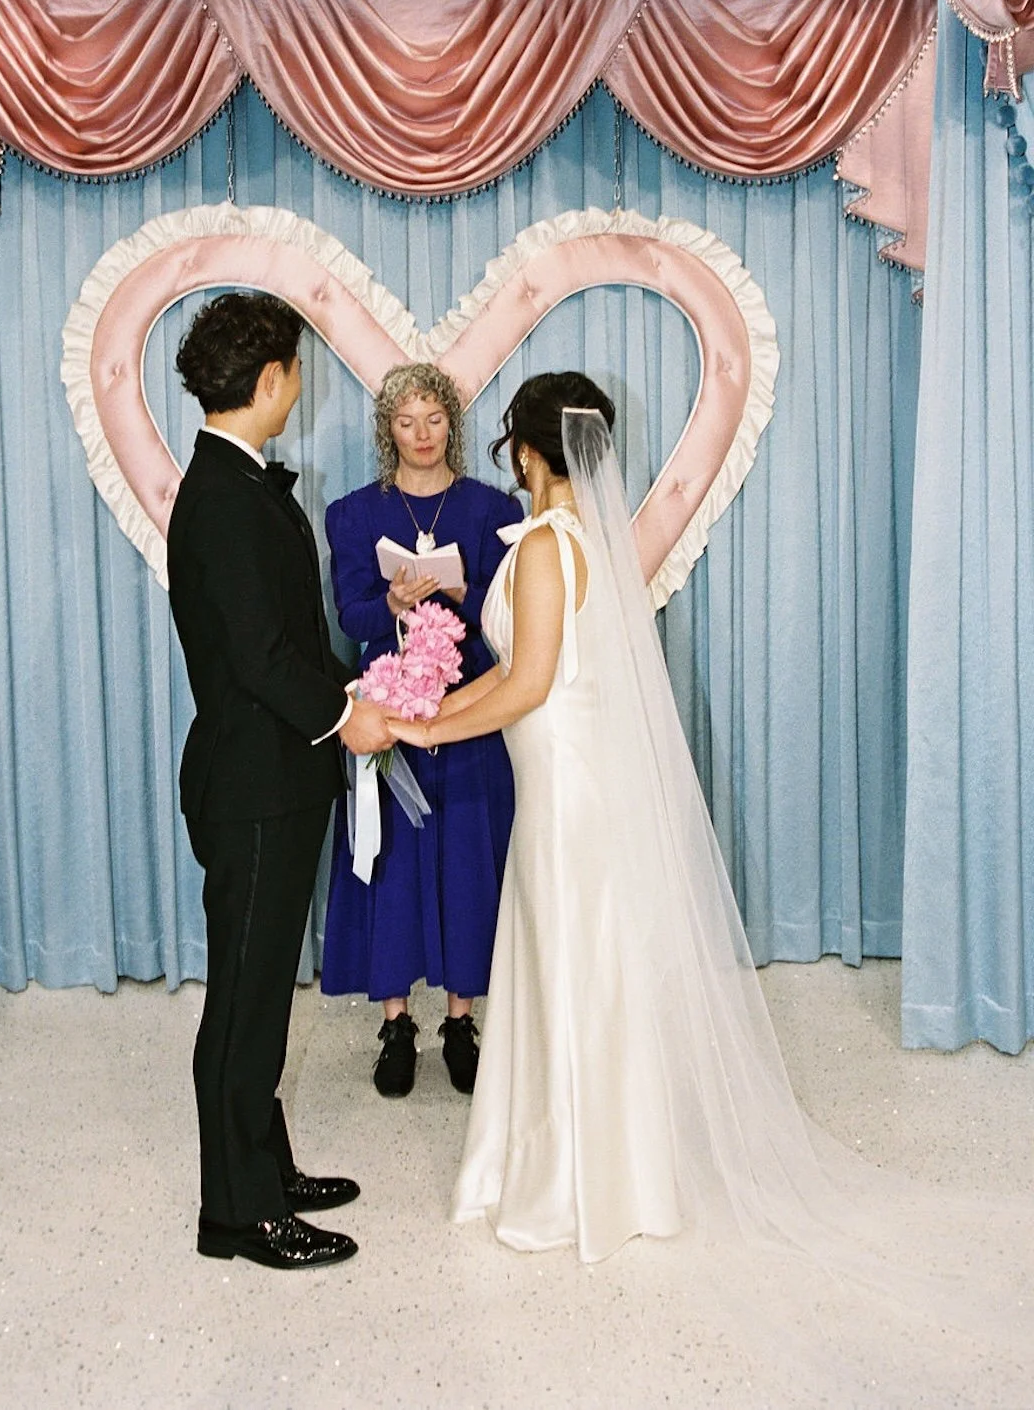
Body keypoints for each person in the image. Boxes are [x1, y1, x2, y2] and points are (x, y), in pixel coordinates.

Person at [385, 371, 856, 1263]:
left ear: (528, 454)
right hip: (569, 779)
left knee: (571, 967)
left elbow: (529, 684)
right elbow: (519, 671)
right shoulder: (588, 542)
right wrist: (424, 713)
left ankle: (575, 1183)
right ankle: (614, 1167)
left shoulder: (543, 548)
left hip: (566, 791)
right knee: (581, 968)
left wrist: (426, 729)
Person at [168, 291, 392, 1271]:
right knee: (245, 1001)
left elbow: (284, 639)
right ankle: (238, 1213)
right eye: (296, 369)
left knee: (260, 992)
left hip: (278, 776)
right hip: (254, 786)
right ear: (269, 380)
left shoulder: (236, 480)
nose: (300, 383)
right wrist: (347, 717)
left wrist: (351, 687)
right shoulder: (223, 497)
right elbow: (259, 657)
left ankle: (265, 1165)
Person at [323, 363, 520, 1097]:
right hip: (389, 715)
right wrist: (392, 605)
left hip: (471, 712)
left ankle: (461, 1022)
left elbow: (512, 615)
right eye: (406, 422)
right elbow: (351, 618)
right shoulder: (352, 513)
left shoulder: (493, 508)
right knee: (393, 864)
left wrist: (464, 589)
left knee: (468, 859)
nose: (422, 434)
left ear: (452, 425)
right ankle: (396, 1023)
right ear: (388, 430)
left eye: (434, 419)